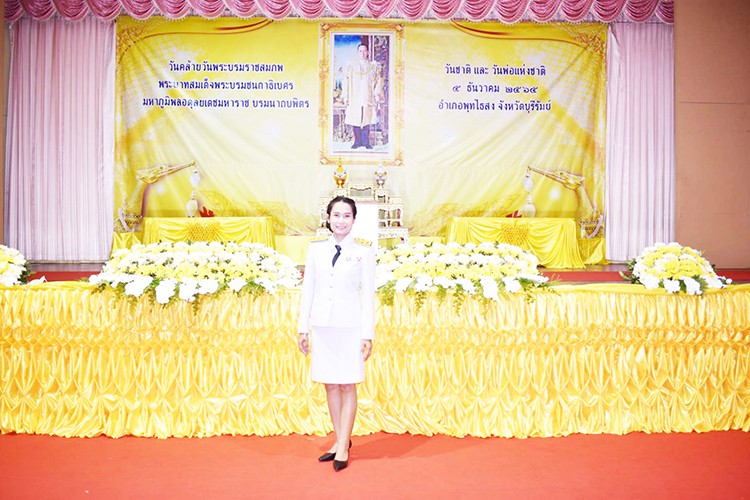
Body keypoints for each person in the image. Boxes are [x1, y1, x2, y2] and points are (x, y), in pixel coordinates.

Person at [297, 196, 376, 472]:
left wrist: (367, 334)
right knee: (330, 384)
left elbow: (368, 295)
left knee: (347, 384)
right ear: (328, 218)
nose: (341, 221)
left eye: (346, 216)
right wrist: (303, 328)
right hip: (322, 327)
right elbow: (308, 289)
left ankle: (343, 445)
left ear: (354, 220)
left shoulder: (364, 251)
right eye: (336, 215)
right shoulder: (316, 249)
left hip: (350, 327)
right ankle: (340, 439)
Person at [342, 43, 383, 150]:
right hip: (354, 96)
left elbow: (378, 80)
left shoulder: (373, 66)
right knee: (355, 119)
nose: (363, 53)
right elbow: (345, 81)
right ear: (357, 52)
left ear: (368, 52)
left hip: (367, 96)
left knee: (366, 119)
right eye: (360, 51)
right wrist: (345, 96)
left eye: (365, 51)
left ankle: (366, 142)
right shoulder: (351, 66)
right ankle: (357, 142)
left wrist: (376, 93)